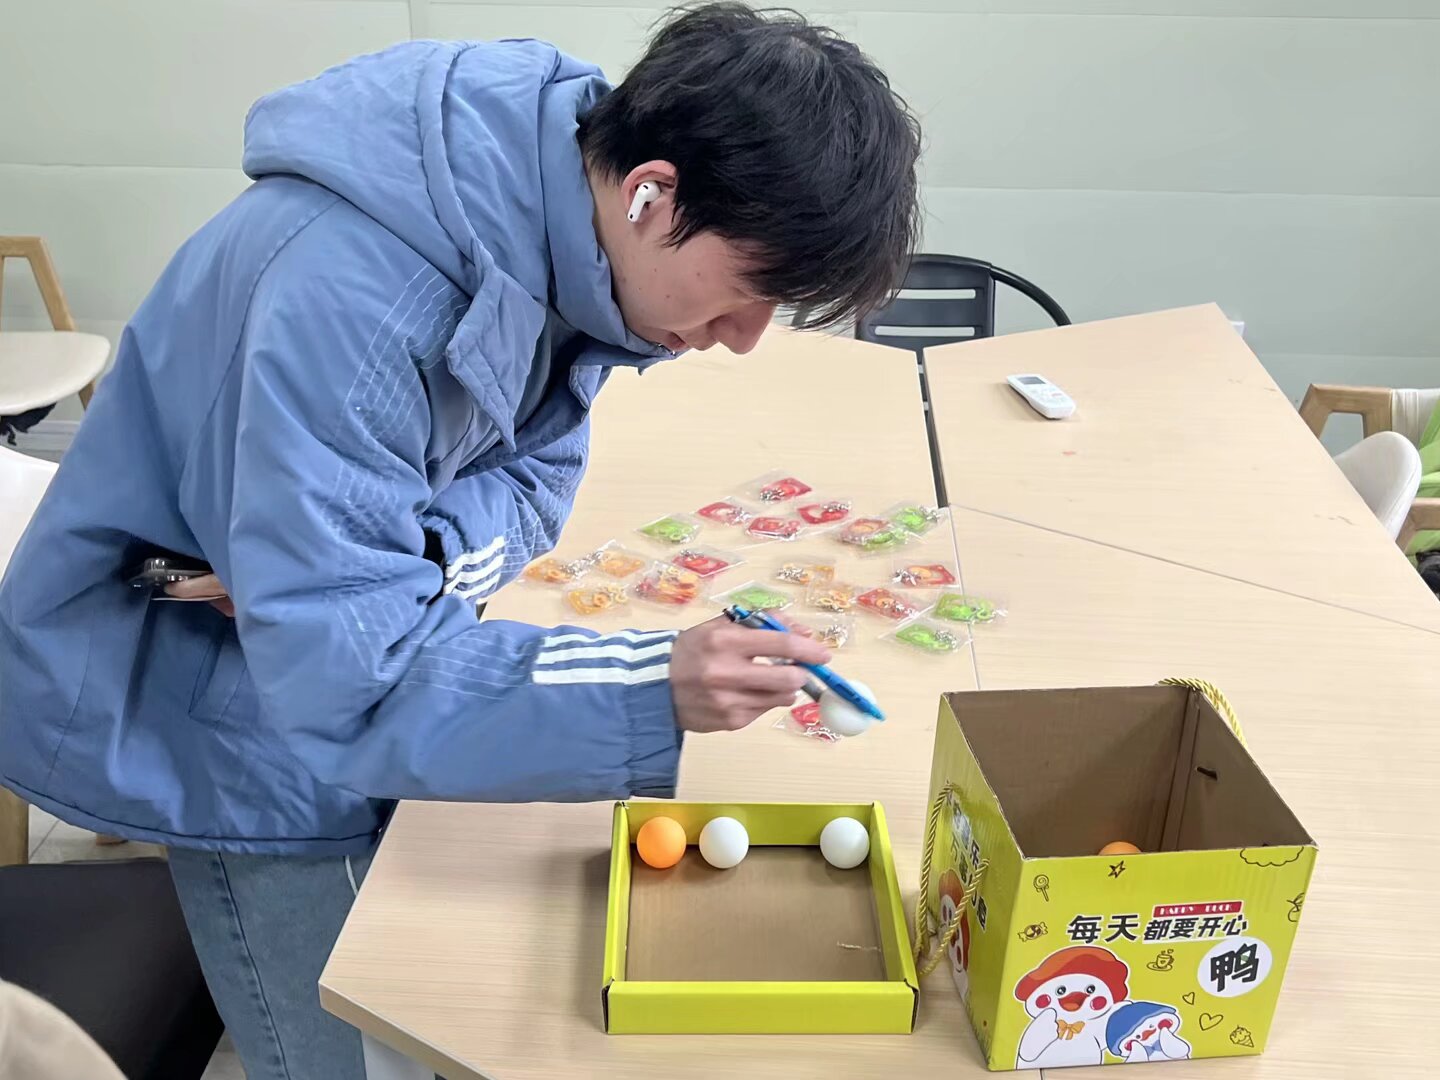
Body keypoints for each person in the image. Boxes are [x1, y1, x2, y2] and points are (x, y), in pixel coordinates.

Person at [0, 4, 920, 1076]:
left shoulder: (558, 227)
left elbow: (534, 483)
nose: (745, 339)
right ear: (652, 193)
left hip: (311, 656)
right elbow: (354, 688)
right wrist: (647, 683)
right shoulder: (355, 309)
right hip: (219, 705)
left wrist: (420, 562)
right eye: (749, 291)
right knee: (358, 1047)